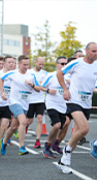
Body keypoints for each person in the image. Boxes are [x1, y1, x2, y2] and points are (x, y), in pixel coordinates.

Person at [56, 42, 97, 174]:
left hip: (86, 103)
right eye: (94, 51)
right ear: (87, 51)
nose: (96, 54)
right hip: (74, 101)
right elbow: (59, 74)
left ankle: (63, 161)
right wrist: (64, 90)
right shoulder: (77, 63)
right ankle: (66, 152)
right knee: (85, 128)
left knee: (79, 133)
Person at [0, 55, 40, 156]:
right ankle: (22, 147)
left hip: (25, 104)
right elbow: (1, 79)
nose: (26, 66)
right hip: (14, 102)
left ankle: (3, 141)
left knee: (13, 127)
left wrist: (32, 85)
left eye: (28, 64)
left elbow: (39, 89)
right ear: (19, 64)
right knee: (23, 122)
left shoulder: (31, 75)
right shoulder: (12, 73)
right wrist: (2, 92)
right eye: (24, 64)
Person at [41, 56, 68, 158]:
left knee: (60, 126)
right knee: (57, 125)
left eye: (66, 64)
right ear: (57, 64)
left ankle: (50, 146)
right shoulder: (51, 76)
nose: (64, 66)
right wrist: (48, 91)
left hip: (63, 106)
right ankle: (47, 146)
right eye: (62, 64)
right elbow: (41, 87)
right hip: (51, 104)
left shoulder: (69, 77)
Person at [27, 57, 47, 148]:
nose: (41, 66)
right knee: (29, 121)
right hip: (30, 100)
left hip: (40, 100)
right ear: (35, 62)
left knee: (40, 119)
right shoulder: (29, 72)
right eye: (40, 64)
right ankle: (25, 126)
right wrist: (34, 85)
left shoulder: (45, 73)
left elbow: (46, 86)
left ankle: (37, 140)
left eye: (42, 64)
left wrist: (42, 86)